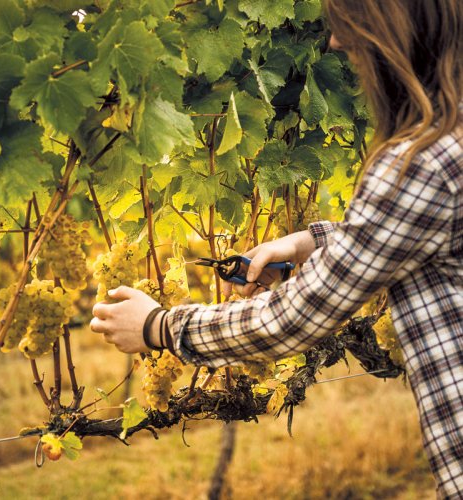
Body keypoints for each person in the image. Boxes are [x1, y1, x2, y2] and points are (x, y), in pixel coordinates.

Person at [90, 0, 462, 497]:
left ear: (395, 29)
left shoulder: (420, 163)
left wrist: (159, 326)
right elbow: (412, 233)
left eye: (351, 24)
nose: (335, 42)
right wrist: (305, 242)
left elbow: (292, 321)